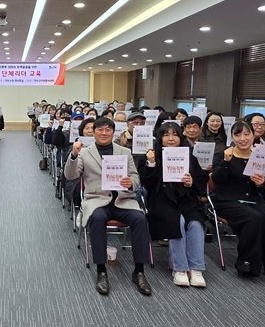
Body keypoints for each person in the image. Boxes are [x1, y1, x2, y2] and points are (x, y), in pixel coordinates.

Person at [64, 117, 153, 297]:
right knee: (97, 218)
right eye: (100, 129)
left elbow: (135, 177)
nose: (104, 133)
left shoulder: (124, 152)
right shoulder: (85, 153)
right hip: (97, 200)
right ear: (94, 132)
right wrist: (73, 155)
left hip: (123, 200)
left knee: (140, 218)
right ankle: (101, 271)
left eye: (107, 130)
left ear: (113, 132)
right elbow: (70, 175)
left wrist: (130, 183)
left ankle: (139, 271)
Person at [211, 121, 265, 278]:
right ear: (232, 137)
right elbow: (217, 180)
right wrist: (226, 162)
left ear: (253, 135)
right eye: (238, 135)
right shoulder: (224, 154)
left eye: (246, 134)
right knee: (254, 218)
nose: (242, 138)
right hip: (228, 201)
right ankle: (247, 263)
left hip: (253, 200)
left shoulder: (259, 155)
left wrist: (261, 183)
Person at [140, 122, 208, 287]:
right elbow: (146, 185)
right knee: (178, 221)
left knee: (195, 223)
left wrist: (191, 182)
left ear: (181, 137)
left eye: (175, 135)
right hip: (161, 200)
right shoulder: (150, 156)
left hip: (186, 199)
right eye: (166, 135)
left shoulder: (190, 156)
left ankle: (196, 268)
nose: (171, 139)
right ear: (160, 138)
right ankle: (179, 268)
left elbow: (201, 183)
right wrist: (151, 164)